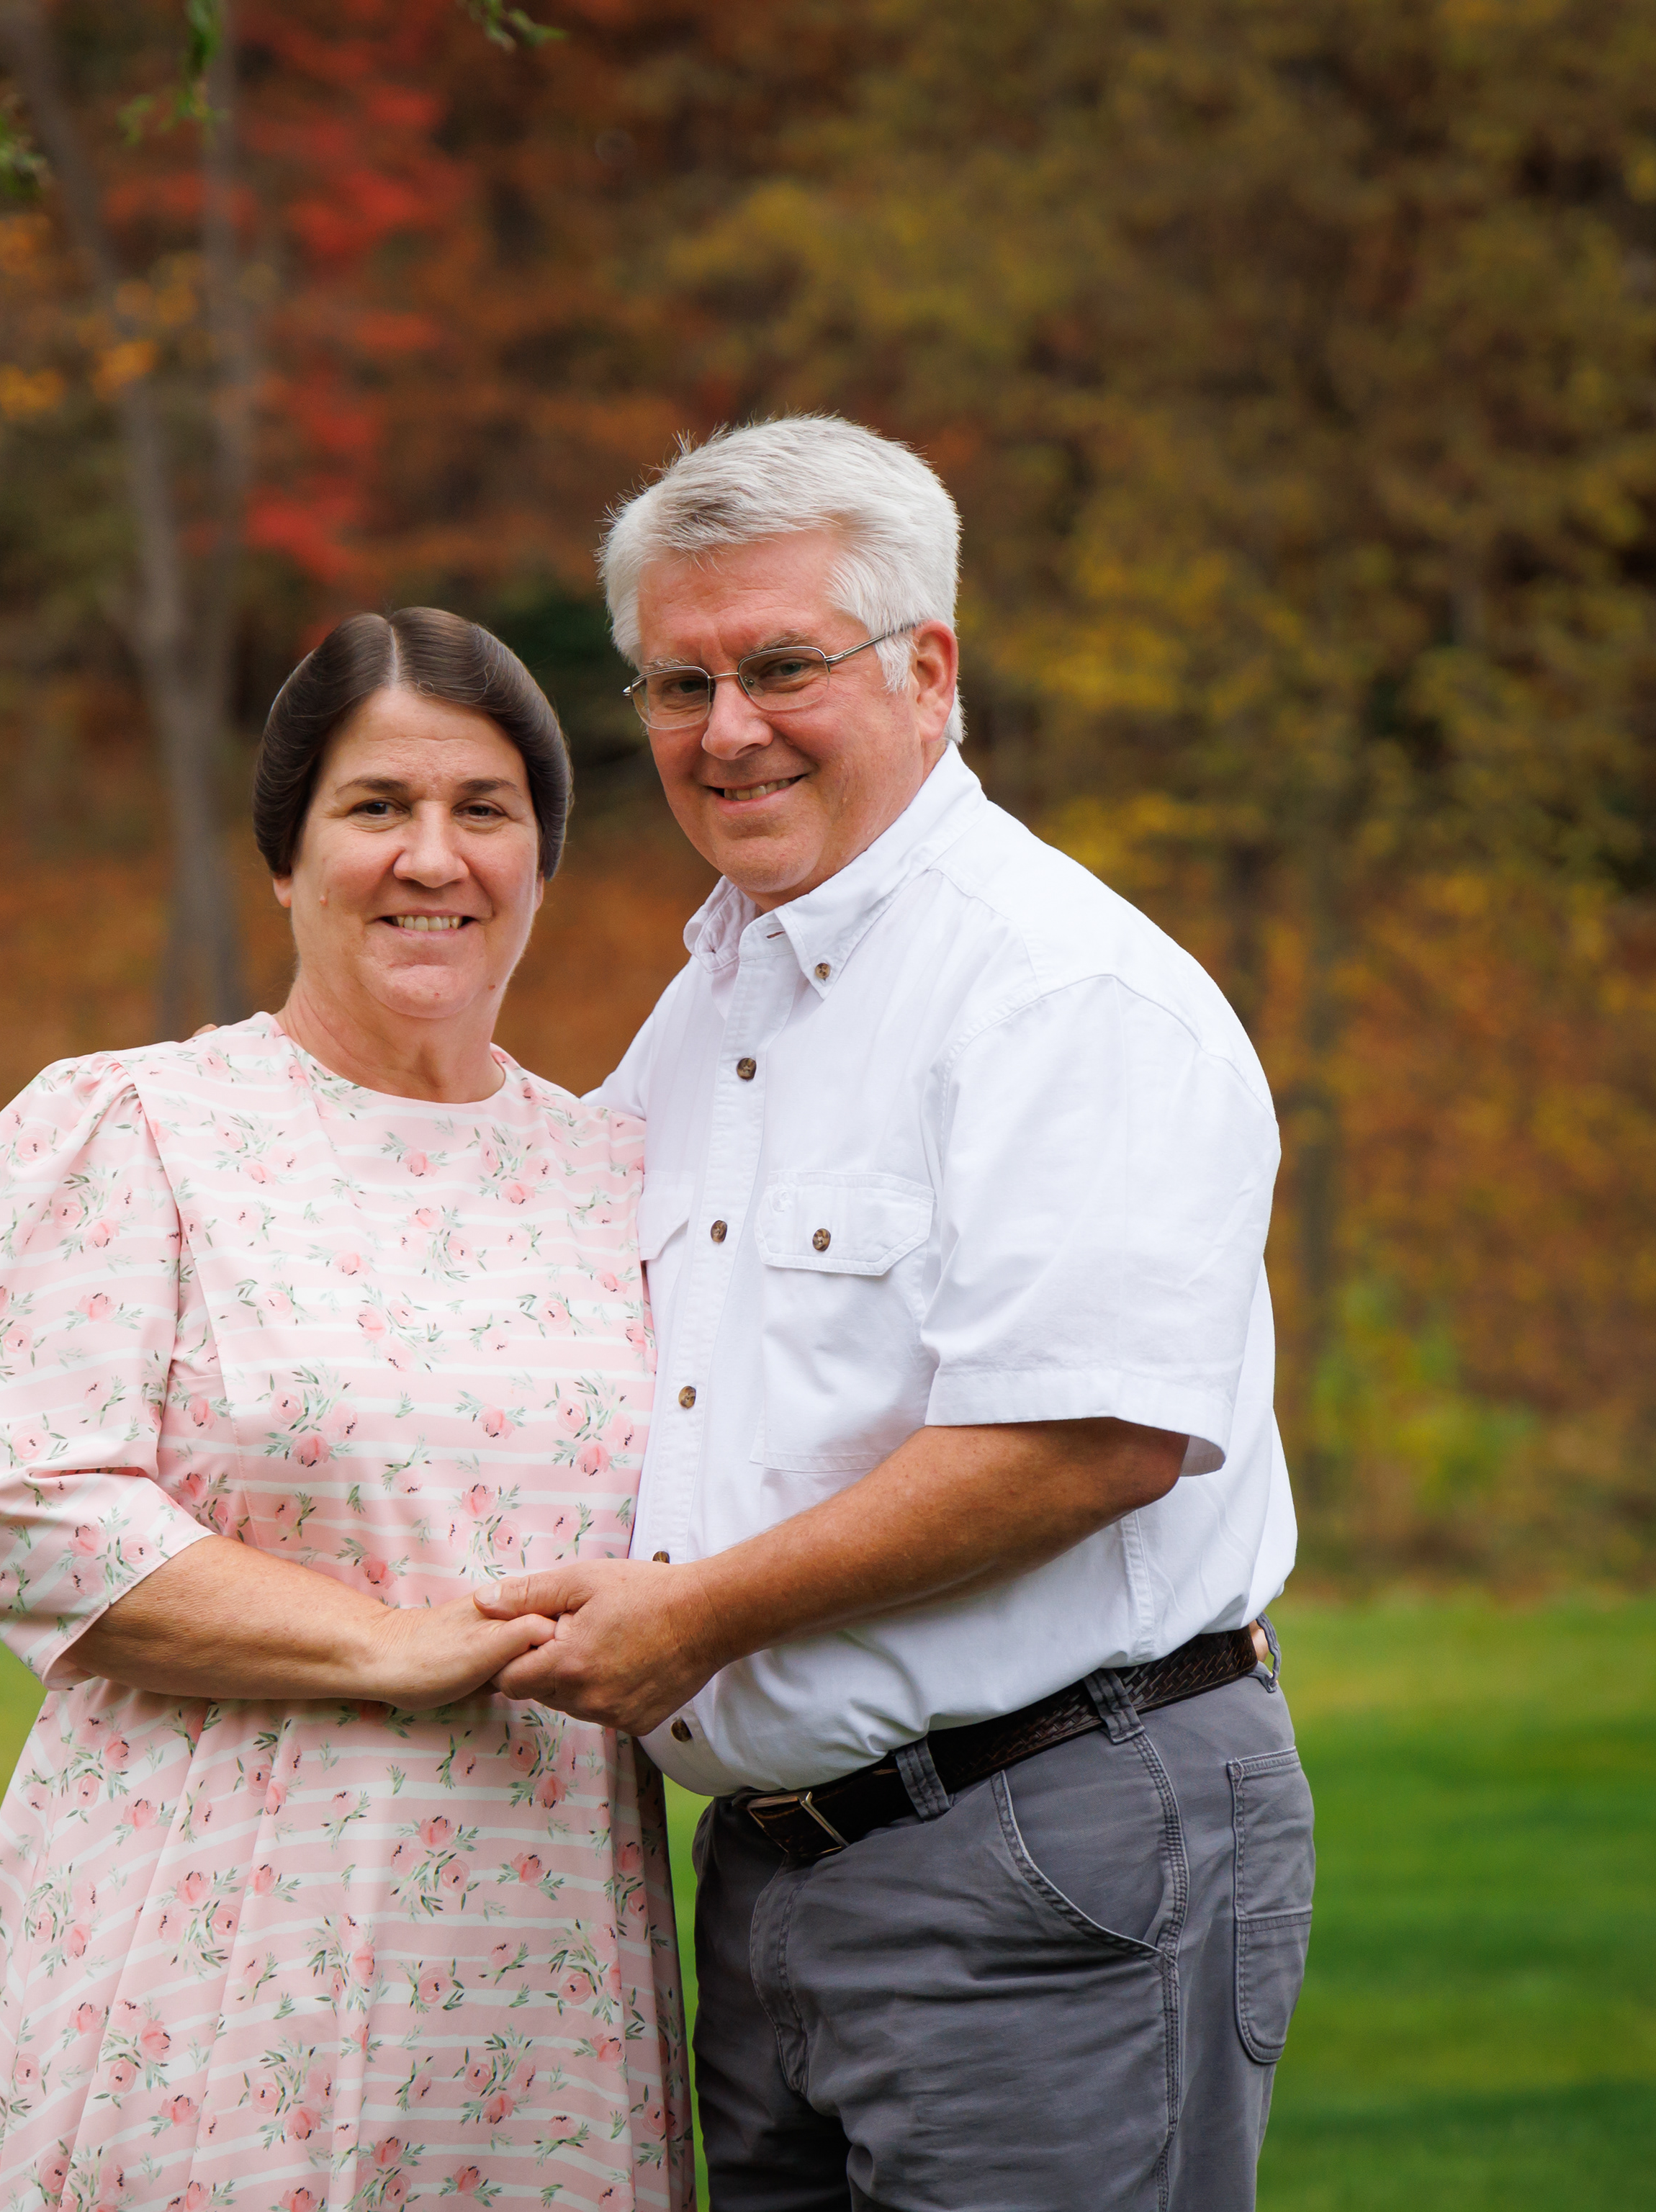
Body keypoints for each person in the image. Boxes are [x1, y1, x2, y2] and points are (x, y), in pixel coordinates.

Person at [479, 415, 1313, 2211]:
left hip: (1043, 1843)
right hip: (775, 1875)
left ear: (926, 670)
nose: (727, 729)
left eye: (783, 666)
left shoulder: (1054, 991)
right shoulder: (712, 1007)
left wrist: (693, 1618)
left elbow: (1084, 1442)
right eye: (678, 683)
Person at [0, 608, 695, 2212]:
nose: (433, 858)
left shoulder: (622, 1172)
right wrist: (388, 1644)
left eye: (484, 809)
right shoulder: (138, 1128)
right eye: (376, 806)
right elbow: (27, 1506)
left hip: (540, 1957)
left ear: (542, 859)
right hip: (208, 1932)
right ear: (286, 856)